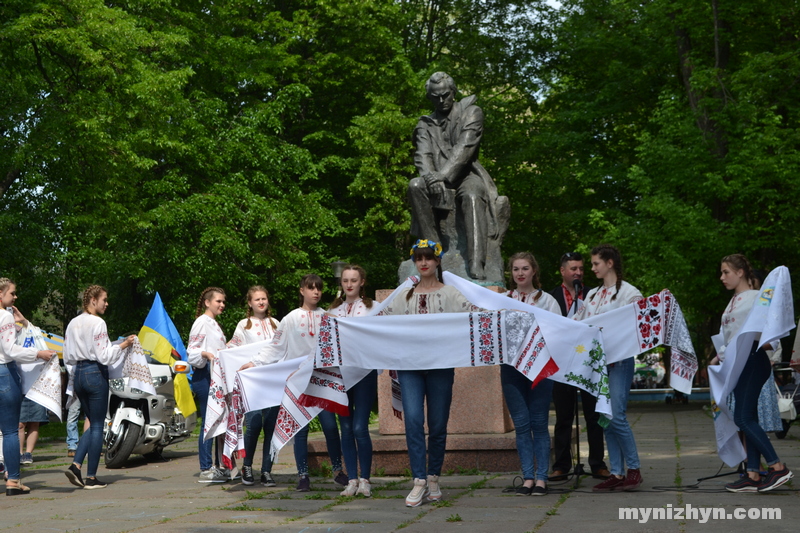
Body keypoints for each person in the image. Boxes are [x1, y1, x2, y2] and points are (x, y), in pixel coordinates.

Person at [383, 239, 480, 507]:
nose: (423, 262)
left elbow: (474, 314)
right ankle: (419, 481)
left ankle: (434, 475)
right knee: (413, 421)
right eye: (418, 258)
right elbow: (379, 321)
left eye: (428, 258)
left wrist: (501, 311)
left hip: (440, 366)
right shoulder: (404, 295)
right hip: (410, 367)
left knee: (437, 424)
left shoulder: (450, 294)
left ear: (437, 261)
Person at [240, 274, 346, 492]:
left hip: (322, 380)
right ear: (302, 291)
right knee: (301, 429)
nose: (316, 292)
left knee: (330, 427)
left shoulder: (328, 317)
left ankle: (338, 471)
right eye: (311, 288)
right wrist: (254, 362)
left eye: (319, 288)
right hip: (298, 381)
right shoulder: (290, 319)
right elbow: (276, 348)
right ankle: (303, 476)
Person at [408, 72, 506, 280]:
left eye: (445, 95)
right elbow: (422, 156)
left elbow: (465, 148)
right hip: (436, 177)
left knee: (471, 195)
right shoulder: (425, 124)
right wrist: (430, 178)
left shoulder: (471, 113)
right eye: (436, 97)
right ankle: (434, 252)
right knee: (415, 185)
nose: (441, 100)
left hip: (466, 174)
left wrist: (442, 176)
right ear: (430, 98)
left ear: (453, 92)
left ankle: (477, 262)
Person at [711, 254, 793, 492]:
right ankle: (753, 473)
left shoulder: (758, 298)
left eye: (726, 272)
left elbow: (771, 338)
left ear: (740, 273)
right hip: (737, 365)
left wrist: (744, 347)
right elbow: (730, 337)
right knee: (748, 418)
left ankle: (777, 467)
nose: (722, 277)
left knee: (743, 418)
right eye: (722, 272)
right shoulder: (734, 301)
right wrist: (720, 355)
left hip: (753, 362)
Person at [577, 245, 644, 492]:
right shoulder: (592, 294)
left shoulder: (629, 292)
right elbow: (579, 322)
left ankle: (634, 469)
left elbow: (637, 322)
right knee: (605, 417)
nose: (592, 268)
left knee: (616, 414)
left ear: (610, 263)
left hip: (620, 361)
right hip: (598, 364)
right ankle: (616, 472)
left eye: (595, 263)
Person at [63, 285, 135, 490]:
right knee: (97, 425)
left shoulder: (72, 323)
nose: (107, 303)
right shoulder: (98, 323)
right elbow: (105, 355)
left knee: (93, 422)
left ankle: (76, 465)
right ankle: (91, 477)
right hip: (95, 372)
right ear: (93, 300)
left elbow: (67, 355)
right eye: (104, 299)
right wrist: (123, 345)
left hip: (78, 373)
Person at [548, 252, 610, 481]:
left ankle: (597, 463)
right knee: (563, 416)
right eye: (573, 269)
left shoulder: (594, 295)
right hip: (562, 364)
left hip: (589, 363)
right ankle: (562, 465)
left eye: (581, 269)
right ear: (562, 271)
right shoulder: (551, 297)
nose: (579, 273)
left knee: (594, 415)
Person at [502, 253, 560, 495]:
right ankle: (527, 477)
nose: (520, 273)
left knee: (539, 423)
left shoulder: (547, 301)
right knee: (522, 425)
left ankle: (541, 478)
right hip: (511, 368)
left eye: (525, 268)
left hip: (540, 368)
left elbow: (559, 331)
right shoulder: (502, 300)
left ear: (534, 271)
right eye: (516, 269)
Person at [0, 278, 56, 495]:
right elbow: (11, 350)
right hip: (4, 373)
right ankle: (13, 480)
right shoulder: (4, 316)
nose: (15, 297)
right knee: (11, 430)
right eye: (12, 293)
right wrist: (38, 354)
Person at [329, 265, 377, 497]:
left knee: (360, 427)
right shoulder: (333, 311)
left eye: (354, 280)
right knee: (346, 429)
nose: (349, 284)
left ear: (362, 282)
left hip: (364, 374)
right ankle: (352, 479)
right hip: (341, 375)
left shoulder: (373, 308)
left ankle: (365, 479)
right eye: (345, 280)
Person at [227, 286, 280, 487]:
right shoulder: (244, 325)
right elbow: (234, 347)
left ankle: (267, 470)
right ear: (250, 303)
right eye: (257, 299)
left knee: (271, 427)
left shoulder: (276, 324)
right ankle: (247, 466)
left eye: (264, 298)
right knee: (254, 422)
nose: (261, 302)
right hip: (252, 382)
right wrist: (222, 353)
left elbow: (283, 347)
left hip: (274, 381)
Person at [188, 286, 231, 483]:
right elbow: (192, 352)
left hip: (216, 375)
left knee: (218, 420)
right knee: (208, 420)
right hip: (204, 375)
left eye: (223, 302)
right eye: (218, 301)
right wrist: (205, 354)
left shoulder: (214, 324)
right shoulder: (201, 322)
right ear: (207, 302)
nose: (222, 305)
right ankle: (206, 467)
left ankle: (218, 465)